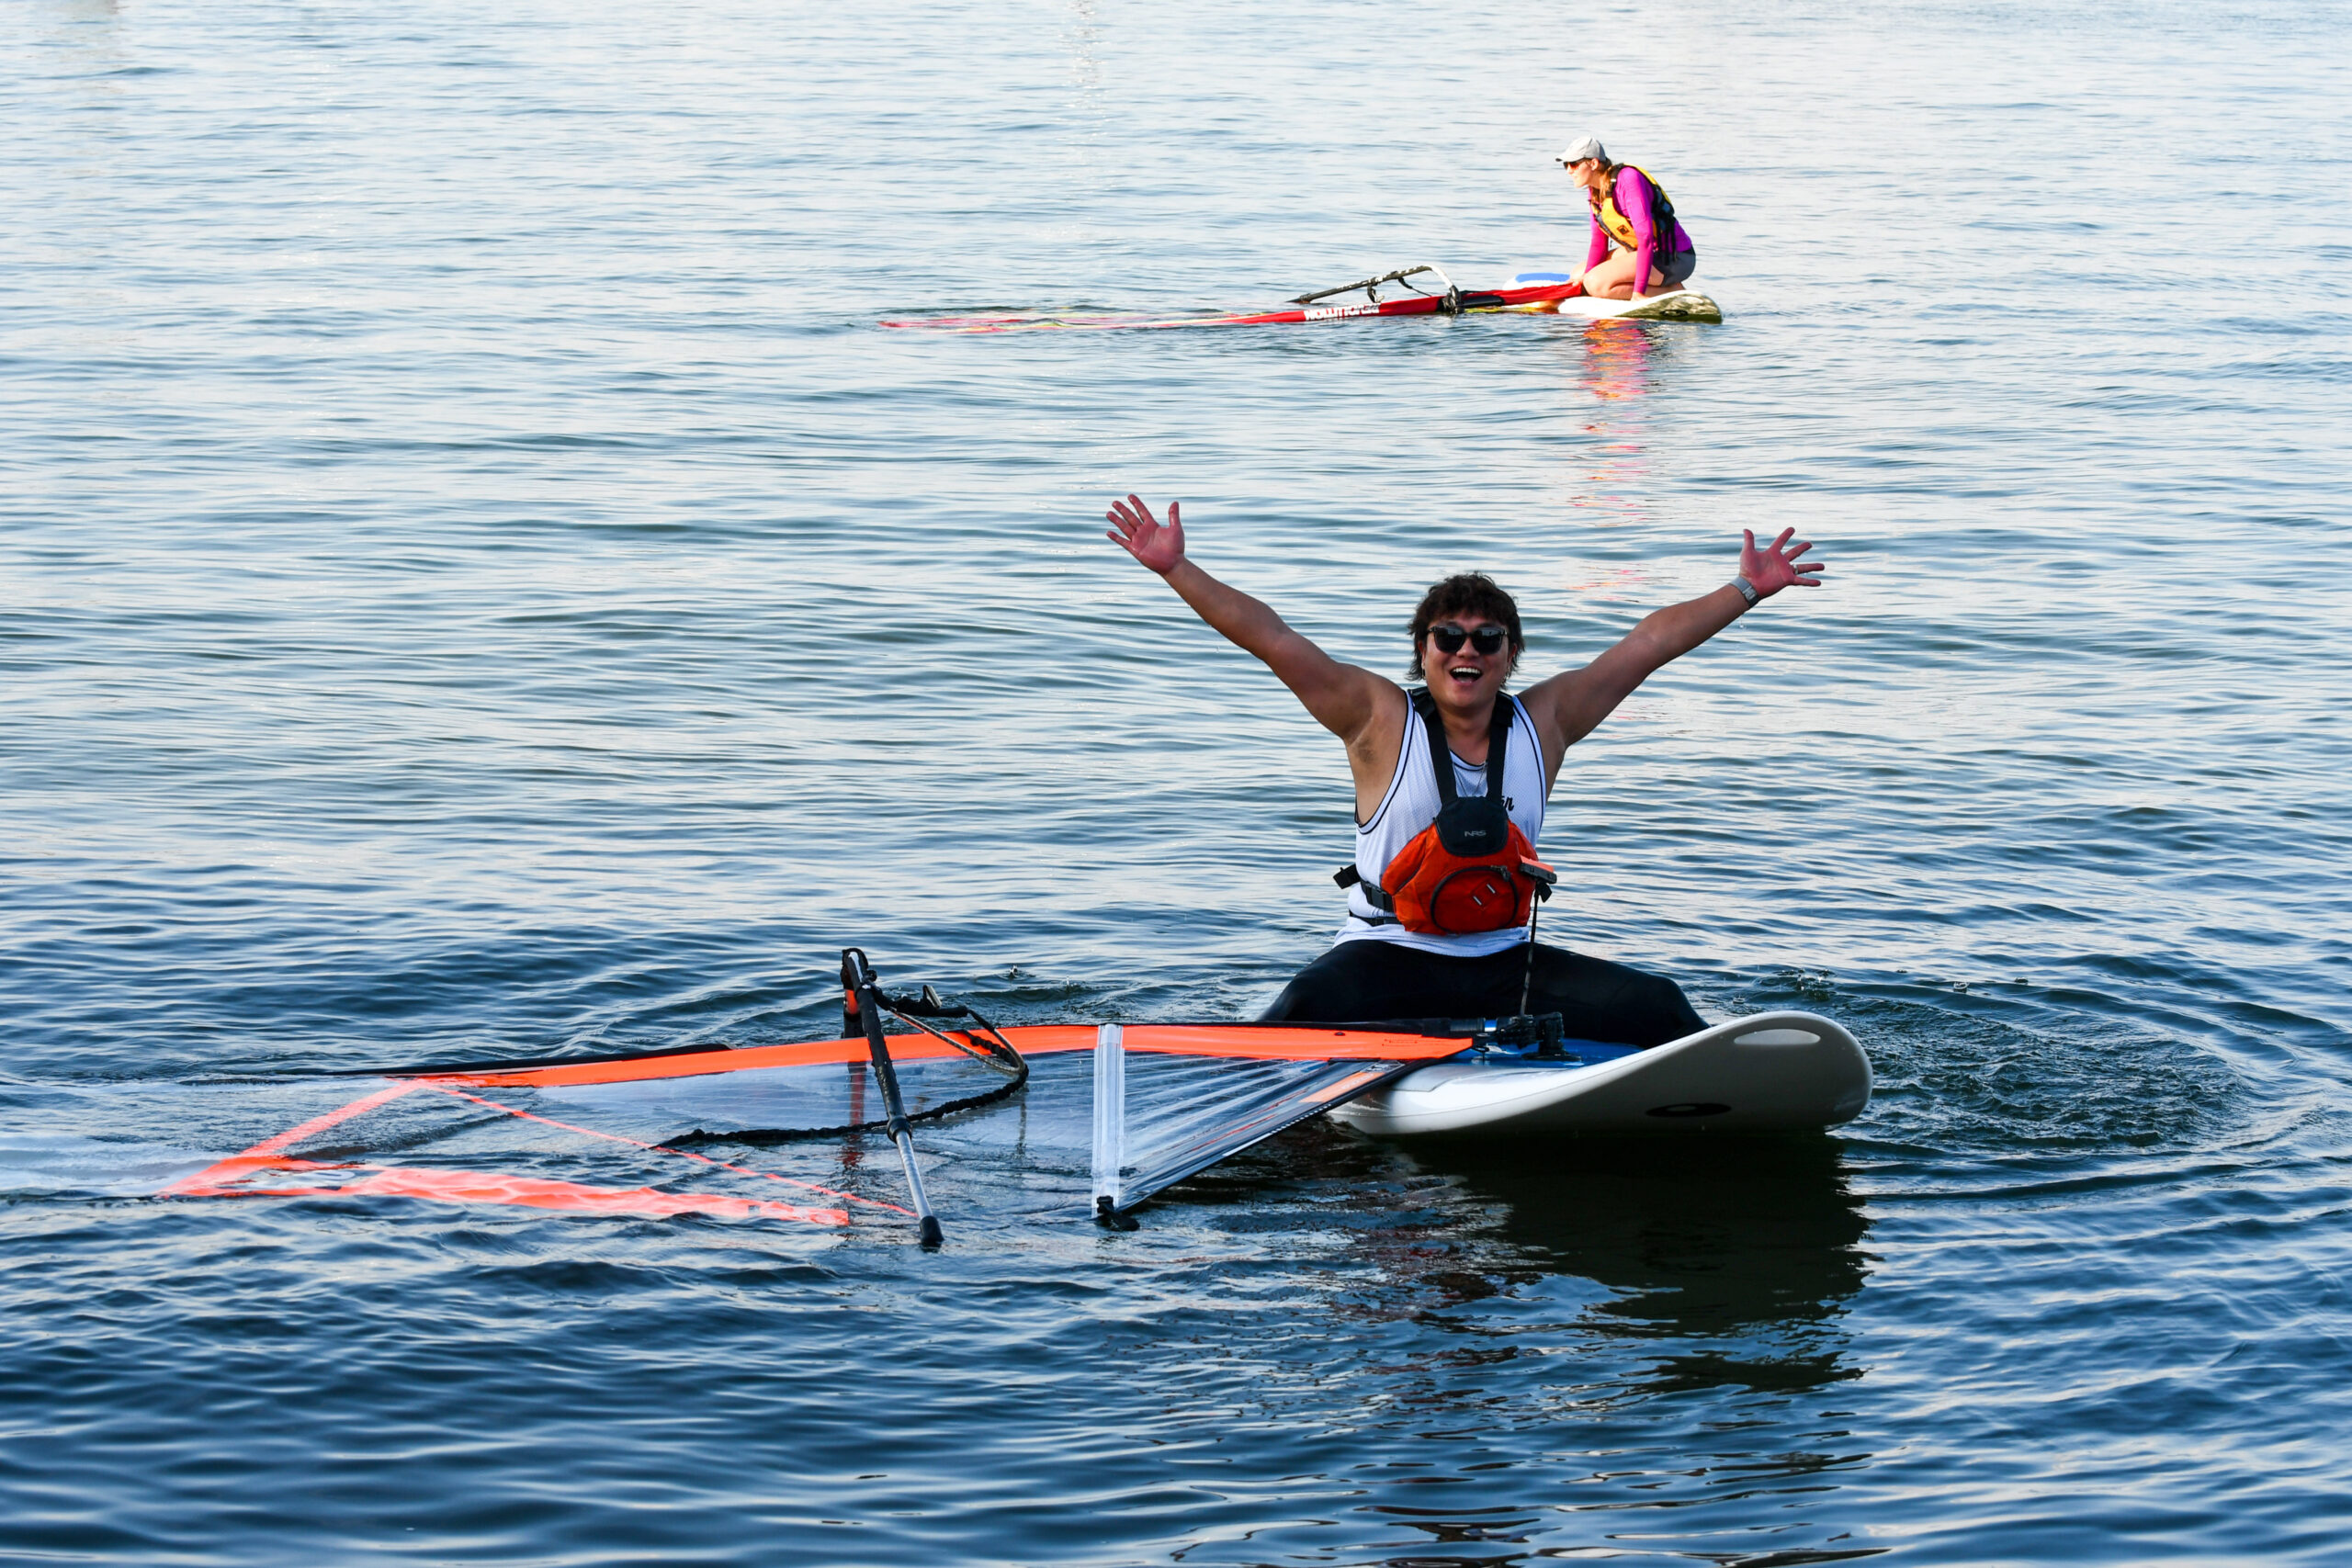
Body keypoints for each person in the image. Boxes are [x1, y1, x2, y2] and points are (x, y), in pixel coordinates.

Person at [1102, 493, 1824, 1045]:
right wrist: (1175, 568)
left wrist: (1747, 589)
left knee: (1660, 1004)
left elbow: (1644, 646)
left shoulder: (1547, 722)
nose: (1466, 650)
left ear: (1511, 654)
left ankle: (1727, 1090)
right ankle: (1225, 1096)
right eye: (1448, 636)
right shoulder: (1376, 720)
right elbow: (1274, 639)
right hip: (1388, 958)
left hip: (1510, 965)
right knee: (1299, 1009)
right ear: (1423, 650)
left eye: (1487, 638)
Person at [1559, 134, 1697, 300]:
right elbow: (1598, 243)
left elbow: (1645, 238)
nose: (1568, 170)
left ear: (1593, 163)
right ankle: (1661, 287)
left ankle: (1674, 294)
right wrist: (1585, 277)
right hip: (1643, 252)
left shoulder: (1628, 180)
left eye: (1573, 164)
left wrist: (1639, 291)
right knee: (1579, 274)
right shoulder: (1596, 191)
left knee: (1596, 284)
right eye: (1566, 165)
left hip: (1673, 257)